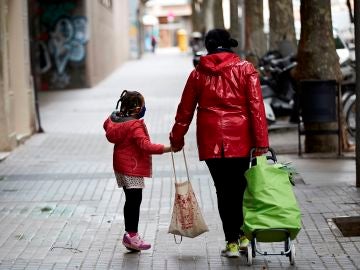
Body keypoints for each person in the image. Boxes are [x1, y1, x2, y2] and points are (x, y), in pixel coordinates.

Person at [169, 29, 269, 258]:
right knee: (242, 188)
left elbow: (184, 111)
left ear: (208, 46)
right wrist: (261, 142)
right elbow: (256, 107)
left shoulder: (197, 74)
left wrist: (177, 138)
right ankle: (244, 237)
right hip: (242, 139)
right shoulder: (246, 69)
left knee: (223, 191)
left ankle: (232, 241)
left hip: (211, 140)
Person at [104, 90, 171, 252]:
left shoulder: (115, 120)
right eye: (142, 105)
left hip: (121, 165)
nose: (144, 108)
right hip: (131, 167)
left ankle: (130, 236)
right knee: (134, 201)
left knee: (131, 200)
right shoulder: (134, 125)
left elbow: (106, 125)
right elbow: (145, 146)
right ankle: (131, 236)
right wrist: (169, 148)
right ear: (136, 108)